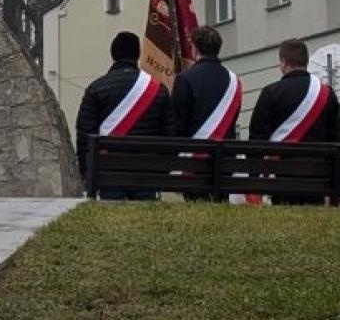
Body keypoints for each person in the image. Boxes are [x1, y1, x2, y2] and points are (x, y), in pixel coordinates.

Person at [74, 31, 171, 200]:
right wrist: (160, 170)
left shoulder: (95, 89)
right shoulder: (159, 90)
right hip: (147, 173)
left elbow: (85, 135)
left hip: (108, 173)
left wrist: (87, 172)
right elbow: (170, 134)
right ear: (138, 55)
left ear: (113, 55)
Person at [248, 39, 340, 145]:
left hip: (281, 160)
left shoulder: (270, 93)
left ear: (283, 63)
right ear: (307, 62)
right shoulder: (326, 93)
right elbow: (334, 137)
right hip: (318, 160)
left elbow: (257, 139)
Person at [171, 26, 242, 141]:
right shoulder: (235, 81)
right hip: (226, 154)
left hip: (194, 153)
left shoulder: (185, 79)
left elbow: (178, 125)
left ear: (195, 49)